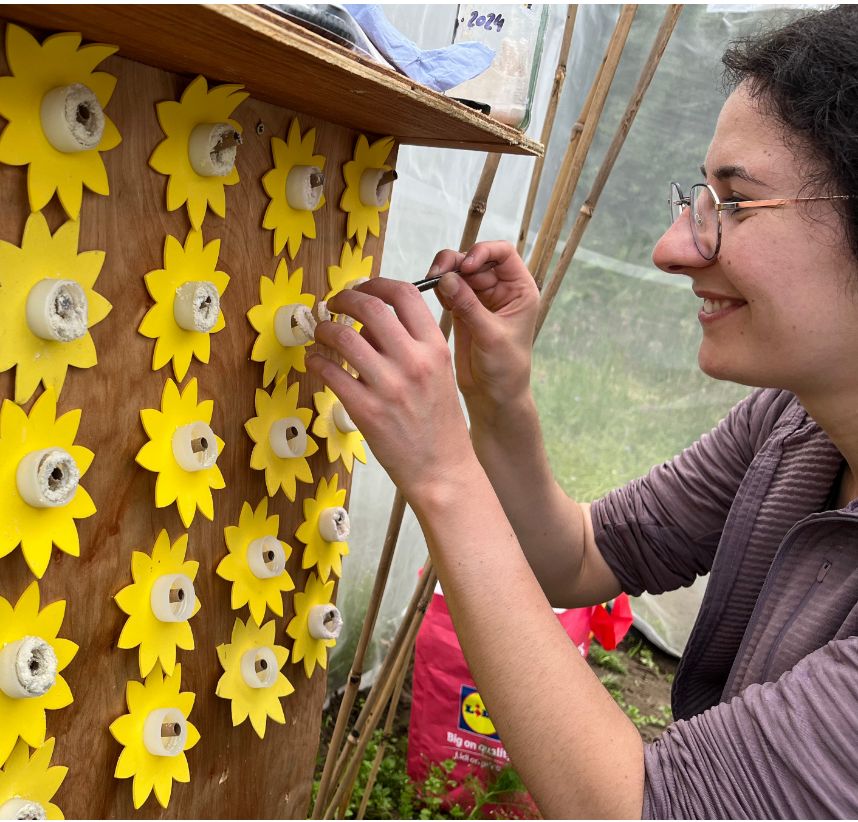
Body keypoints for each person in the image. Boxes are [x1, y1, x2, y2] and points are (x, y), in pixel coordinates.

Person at [306, 5, 858, 818]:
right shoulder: (794, 426)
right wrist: (498, 398)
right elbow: (580, 557)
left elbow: (641, 807)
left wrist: (443, 471)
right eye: (695, 198)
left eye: (734, 204)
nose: (672, 249)